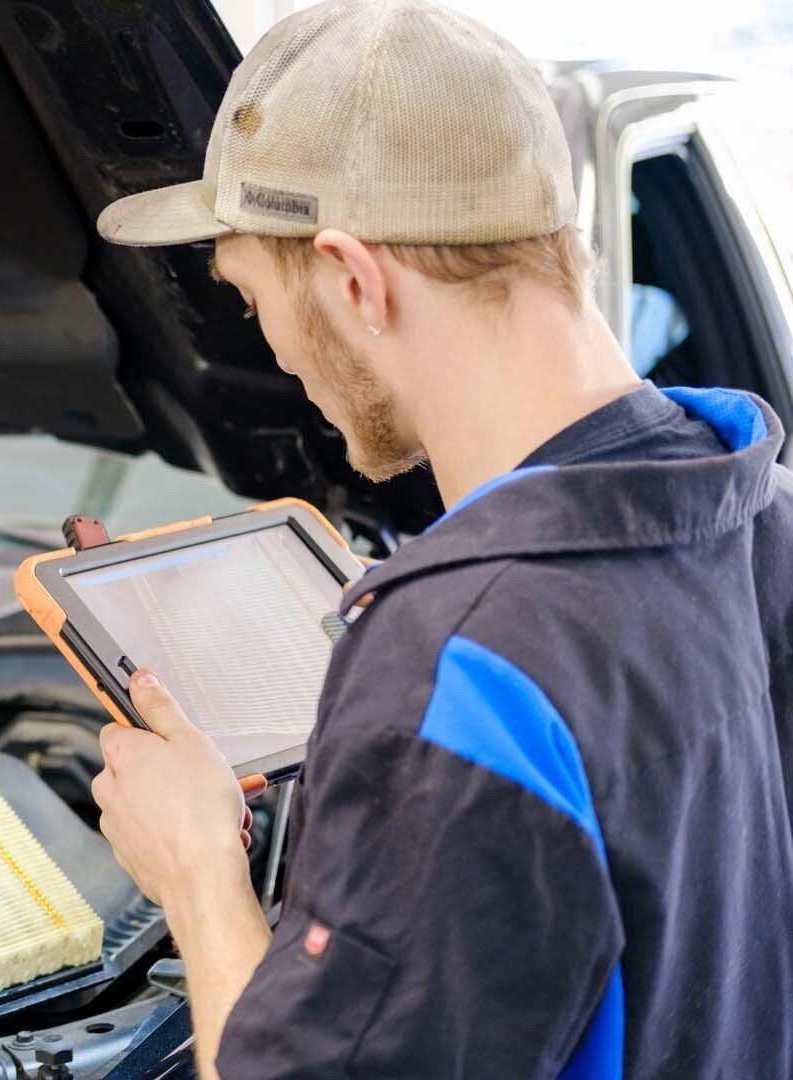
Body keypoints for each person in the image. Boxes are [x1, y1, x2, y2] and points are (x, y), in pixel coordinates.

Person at [88, 1, 793, 1077]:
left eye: (250, 294)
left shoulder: (464, 662)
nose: (272, 351)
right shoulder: (758, 518)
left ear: (355, 279)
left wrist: (195, 873)